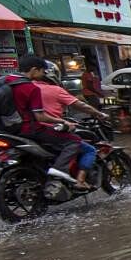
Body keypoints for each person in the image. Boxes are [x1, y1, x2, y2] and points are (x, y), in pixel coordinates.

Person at [9, 56, 88, 187]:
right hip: (30, 128)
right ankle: (59, 169)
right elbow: (40, 117)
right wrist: (64, 122)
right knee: (74, 141)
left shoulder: (7, 81)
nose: (43, 74)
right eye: (42, 71)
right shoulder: (31, 88)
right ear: (34, 70)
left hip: (9, 129)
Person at [37, 74, 110, 189]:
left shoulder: (27, 89)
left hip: (31, 132)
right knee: (89, 149)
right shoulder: (54, 90)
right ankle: (80, 180)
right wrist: (99, 114)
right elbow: (79, 105)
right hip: (51, 130)